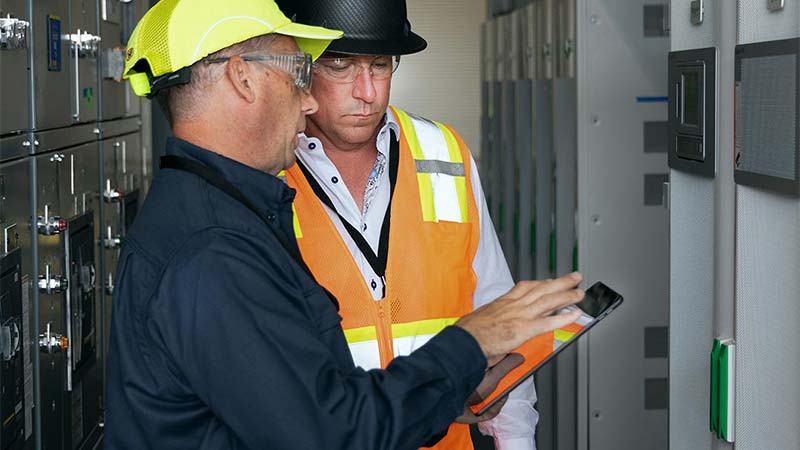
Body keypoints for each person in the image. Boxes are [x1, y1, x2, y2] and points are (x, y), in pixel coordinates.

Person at [105, 1, 584, 449]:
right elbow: (329, 430)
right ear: (242, 79)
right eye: (304, 71)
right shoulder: (214, 248)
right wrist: (472, 342)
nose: (309, 101)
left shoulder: (221, 210)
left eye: (381, 65)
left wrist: (441, 399)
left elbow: (298, 408)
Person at [275, 1, 540, 448]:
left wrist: (517, 442)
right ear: (299, 66)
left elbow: (496, 313)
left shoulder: (445, 153)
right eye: (340, 65)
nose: (368, 92)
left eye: (380, 65)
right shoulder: (267, 171)